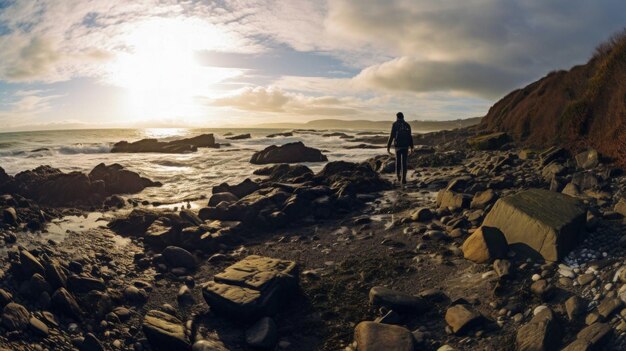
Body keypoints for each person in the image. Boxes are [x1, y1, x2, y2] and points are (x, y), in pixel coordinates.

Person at [386, 112, 414, 185]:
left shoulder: (395, 124)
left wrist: (388, 147)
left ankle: (398, 177)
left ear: (397, 117)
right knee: (404, 162)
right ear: (403, 117)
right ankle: (403, 179)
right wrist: (412, 147)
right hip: (405, 146)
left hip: (398, 146)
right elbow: (410, 137)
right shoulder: (407, 125)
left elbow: (392, 135)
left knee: (398, 161)